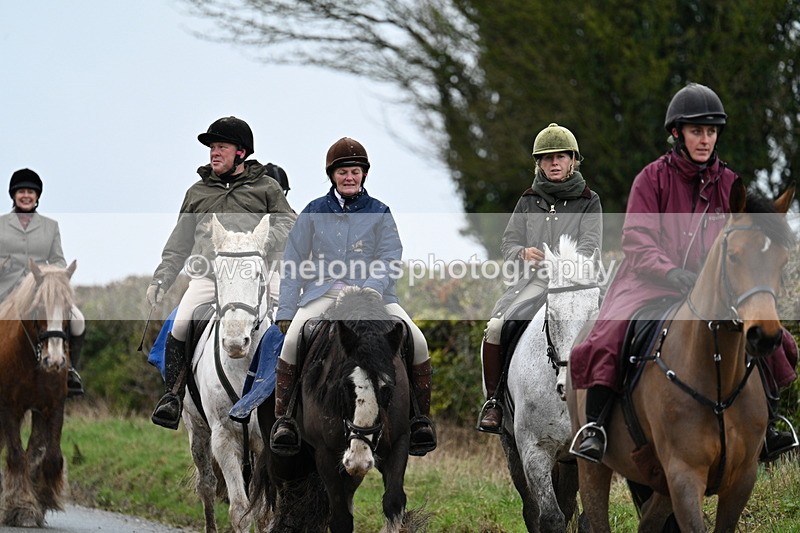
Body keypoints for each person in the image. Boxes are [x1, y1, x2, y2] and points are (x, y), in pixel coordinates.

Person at [569, 82, 798, 462]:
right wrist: (671, 272)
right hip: (648, 281)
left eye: (711, 132)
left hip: (713, 287)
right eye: (697, 131)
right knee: (609, 330)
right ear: (677, 133)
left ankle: (769, 424)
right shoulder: (651, 178)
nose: (705, 139)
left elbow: (751, 234)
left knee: (775, 337)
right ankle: (594, 424)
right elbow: (636, 239)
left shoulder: (730, 183)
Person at [270, 137, 437, 457]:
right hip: (323, 295)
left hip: (374, 297)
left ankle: (419, 420)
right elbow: (292, 260)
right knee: (292, 341)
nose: (349, 177)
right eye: (343, 172)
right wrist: (287, 308)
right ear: (332, 175)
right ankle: (286, 419)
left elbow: (390, 256)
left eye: (355, 171)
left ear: (364, 175)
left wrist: (372, 287)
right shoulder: (314, 210)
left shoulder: (379, 211)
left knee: (418, 340)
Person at [148, 116, 296, 430]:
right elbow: (180, 240)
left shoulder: (266, 187)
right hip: (209, 277)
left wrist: (259, 241)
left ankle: (292, 404)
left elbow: (289, 222)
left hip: (257, 274)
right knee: (181, 323)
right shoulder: (197, 192)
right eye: (212, 148)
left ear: (241, 153)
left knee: (291, 320)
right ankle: (172, 396)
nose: (214, 153)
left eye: (221, 147)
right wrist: (163, 277)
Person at [476, 123, 603, 433]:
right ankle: (494, 401)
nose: (554, 163)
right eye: (547, 158)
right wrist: (522, 253)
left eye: (560, 157)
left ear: (574, 160)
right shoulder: (528, 200)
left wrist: (557, 261)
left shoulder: (590, 200)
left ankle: (609, 405)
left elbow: (590, 247)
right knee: (496, 328)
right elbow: (508, 242)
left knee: (612, 330)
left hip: (577, 283)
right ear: (539, 163)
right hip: (534, 283)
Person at [0, 168, 86, 397]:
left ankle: (69, 371)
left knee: (78, 320)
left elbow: (58, 260)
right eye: (21, 192)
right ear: (13, 195)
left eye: (30, 191)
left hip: (40, 293)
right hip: (5, 291)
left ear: (37, 196)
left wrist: (49, 273)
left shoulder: (50, 226)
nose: (26, 195)